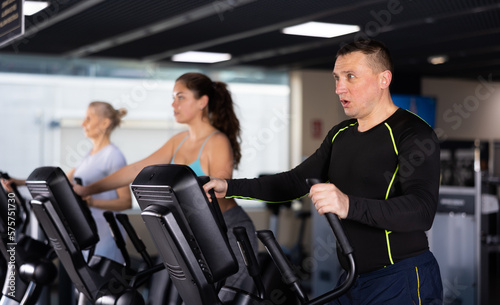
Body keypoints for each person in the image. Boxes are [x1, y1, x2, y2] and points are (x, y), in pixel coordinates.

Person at [204, 40, 443, 305]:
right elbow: (294, 182)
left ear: (383, 79)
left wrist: (348, 205)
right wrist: (229, 186)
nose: (340, 88)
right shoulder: (341, 134)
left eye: (350, 76)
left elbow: (421, 211)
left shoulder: (413, 133)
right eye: (337, 78)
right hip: (352, 278)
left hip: (402, 278)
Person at [73, 72, 258, 290]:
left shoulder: (217, 142)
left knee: (226, 296)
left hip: (228, 230)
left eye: (181, 97)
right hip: (194, 231)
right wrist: (87, 189)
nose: (173, 104)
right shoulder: (178, 141)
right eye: (173, 97)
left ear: (202, 102)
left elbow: (216, 195)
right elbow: (135, 169)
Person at [2, 101, 131, 263]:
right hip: (87, 233)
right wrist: (18, 183)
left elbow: (126, 201)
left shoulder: (113, 155)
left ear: (105, 123)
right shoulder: (88, 155)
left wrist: (92, 201)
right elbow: (58, 182)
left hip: (107, 236)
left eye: (89, 119)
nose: (83, 123)